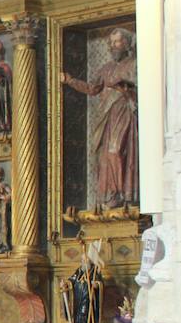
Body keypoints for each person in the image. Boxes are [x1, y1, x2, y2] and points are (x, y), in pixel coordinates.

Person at [60, 27, 139, 211]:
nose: (113, 46)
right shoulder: (106, 69)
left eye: (117, 42)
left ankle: (124, 196)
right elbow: (93, 89)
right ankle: (110, 197)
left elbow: (144, 88)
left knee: (117, 152)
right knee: (103, 155)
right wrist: (70, 80)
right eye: (110, 43)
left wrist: (128, 91)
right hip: (107, 116)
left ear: (126, 43)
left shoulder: (134, 64)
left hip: (125, 113)